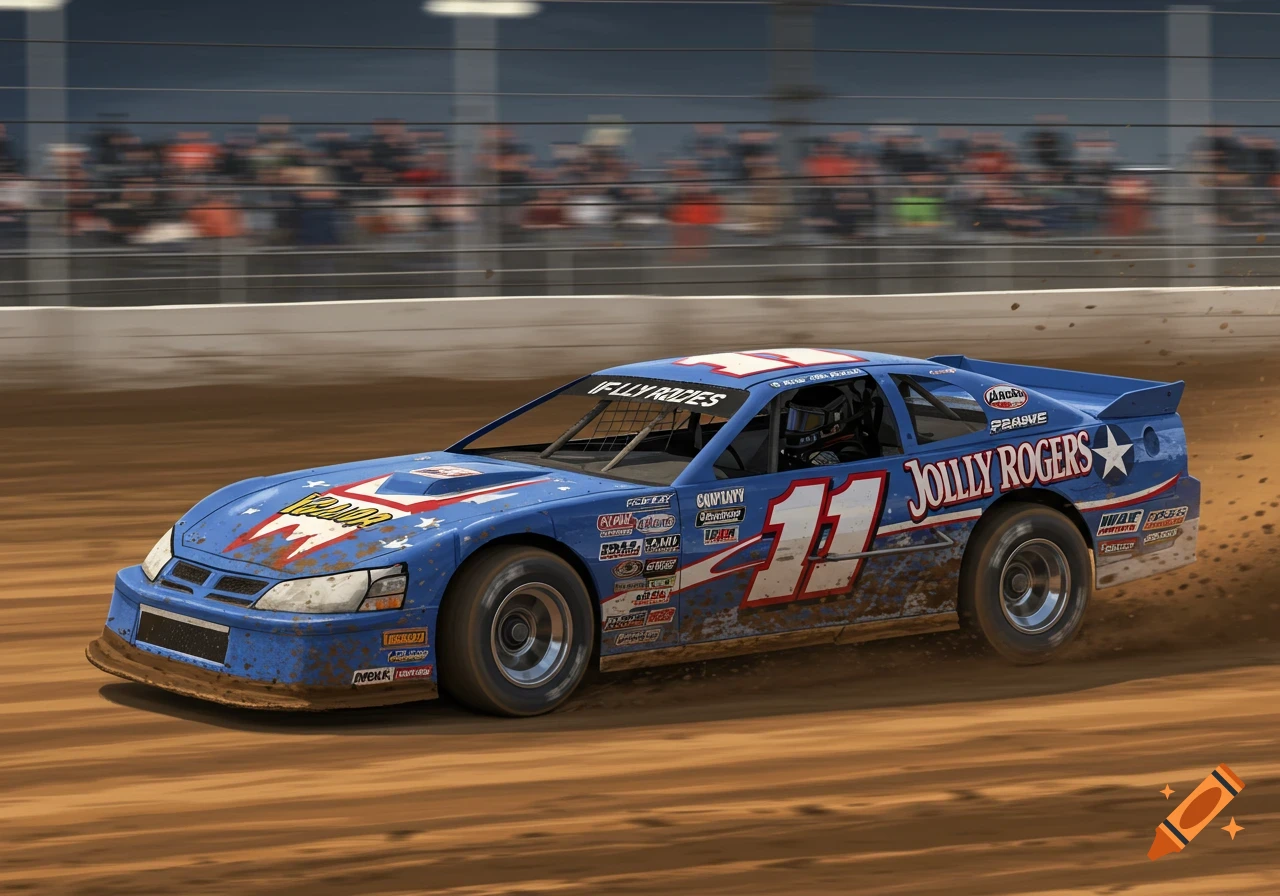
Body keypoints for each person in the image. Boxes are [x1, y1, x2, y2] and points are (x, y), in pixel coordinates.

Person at [781, 383, 883, 468]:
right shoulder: (809, 449)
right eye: (795, 418)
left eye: (810, 421)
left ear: (834, 427)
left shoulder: (849, 457)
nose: (798, 427)